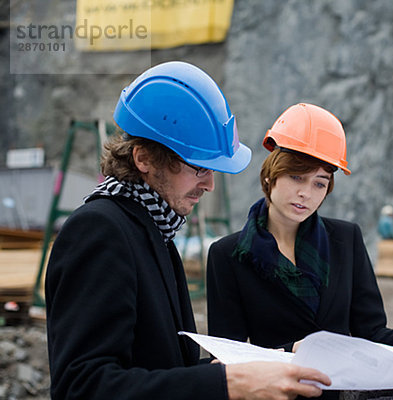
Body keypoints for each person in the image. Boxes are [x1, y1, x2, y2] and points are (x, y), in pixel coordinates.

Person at [45, 62, 330, 400]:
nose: (209, 184)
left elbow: (164, 369)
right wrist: (229, 385)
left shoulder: (152, 230)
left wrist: (267, 361)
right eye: (198, 168)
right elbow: (82, 387)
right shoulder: (99, 231)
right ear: (144, 159)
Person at [206, 104, 393, 395]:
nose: (306, 193)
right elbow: (228, 358)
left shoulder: (346, 239)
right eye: (296, 177)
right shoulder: (228, 255)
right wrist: (290, 351)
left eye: (319, 183)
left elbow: (371, 334)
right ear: (270, 176)